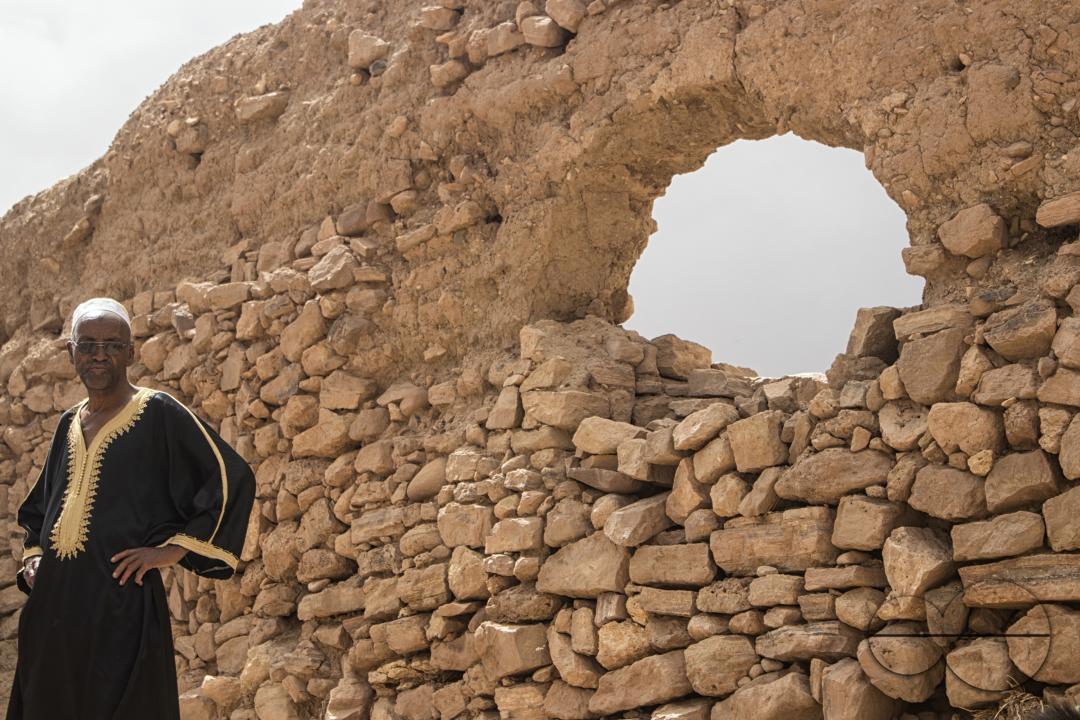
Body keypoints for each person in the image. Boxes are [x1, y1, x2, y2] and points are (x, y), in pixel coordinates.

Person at [6, 298, 255, 720]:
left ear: (131, 352)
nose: (99, 354)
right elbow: (39, 510)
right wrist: (35, 557)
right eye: (87, 345)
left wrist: (174, 548)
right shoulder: (69, 423)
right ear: (71, 352)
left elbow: (231, 478)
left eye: (112, 345)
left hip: (120, 604)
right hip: (54, 610)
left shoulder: (157, 412)